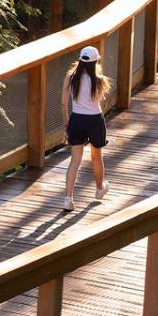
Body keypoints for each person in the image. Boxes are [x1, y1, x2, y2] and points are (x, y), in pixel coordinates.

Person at [62, 45, 112, 211]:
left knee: (74, 160)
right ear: (96, 61)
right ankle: (99, 189)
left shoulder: (71, 77)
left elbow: (63, 103)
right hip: (95, 120)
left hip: (76, 119)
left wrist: (66, 123)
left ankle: (68, 199)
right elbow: (100, 100)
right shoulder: (100, 80)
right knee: (96, 156)